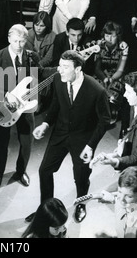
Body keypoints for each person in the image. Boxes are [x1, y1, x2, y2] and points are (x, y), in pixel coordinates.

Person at [29, 50, 111, 224]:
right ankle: (45, 208)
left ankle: (81, 203)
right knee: (44, 170)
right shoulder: (59, 79)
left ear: (78, 69)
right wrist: (45, 124)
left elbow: (105, 120)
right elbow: (56, 104)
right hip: (60, 133)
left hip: (83, 138)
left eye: (65, 67)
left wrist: (91, 145)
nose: (60, 70)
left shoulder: (97, 90)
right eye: (60, 65)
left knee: (80, 175)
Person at [0, 24, 41, 190]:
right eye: (16, 41)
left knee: (27, 142)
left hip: (25, 108)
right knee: (1, 142)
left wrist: (34, 100)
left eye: (22, 41)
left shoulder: (33, 57)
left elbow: (34, 81)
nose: (19, 45)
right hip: (4, 108)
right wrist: (5, 95)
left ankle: (21, 171)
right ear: (9, 39)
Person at [93, 71, 137, 171]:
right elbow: (132, 129)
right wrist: (120, 150)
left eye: (129, 92)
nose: (125, 95)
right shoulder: (134, 104)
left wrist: (116, 161)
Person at [97, 166, 137, 238]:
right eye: (120, 192)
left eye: (128, 196)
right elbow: (118, 201)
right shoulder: (124, 204)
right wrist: (112, 199)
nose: (121, 199)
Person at [93, 21, 129, 124]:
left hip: (116, 75)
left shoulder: (123, 48)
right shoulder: (99, 46)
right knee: (97, 88)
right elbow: (97, 68)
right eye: (107, 35)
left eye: (112, 36)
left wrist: (112, 79)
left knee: (114, 90)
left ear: (118, 36)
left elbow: (120, 70)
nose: (109, 38)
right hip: (101, 74)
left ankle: (111, 113)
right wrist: (104, 78)